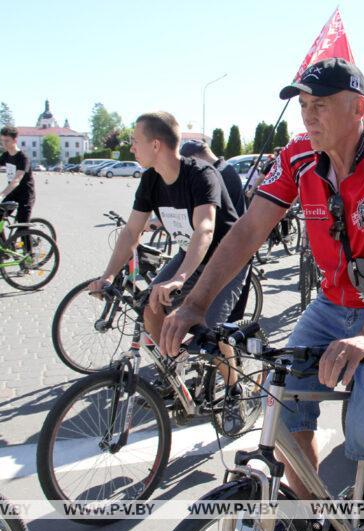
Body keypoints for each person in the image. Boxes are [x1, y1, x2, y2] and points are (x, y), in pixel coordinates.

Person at [161, 58, 364, 531]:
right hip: (333, 304)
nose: (308, 117)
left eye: (321, 106)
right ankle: (309, 504)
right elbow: (249, 229)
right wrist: (194, 303)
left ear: (358, 108)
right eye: (304, 106)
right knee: (281, 401)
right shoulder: (297, 157)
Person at [88, 112, 246, 391]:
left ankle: (235, 388)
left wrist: (180, 278)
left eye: (135, 141)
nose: (131, 147)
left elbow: (205, 229)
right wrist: (109, 275)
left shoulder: (201, 174)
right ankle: (175, 369)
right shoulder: (150, 179)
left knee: (210, 328)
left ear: (156, 145)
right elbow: (131, 231)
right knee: (151, 305)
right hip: (191, 255)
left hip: (227, 257)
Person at [178, 139, 252, 322]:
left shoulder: (218, 174)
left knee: (219, 323)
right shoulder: (224, 169)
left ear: (194, 157)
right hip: (219, 248)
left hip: (228, 253)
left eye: (188, 163)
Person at [0, 126, 35, 225]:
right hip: (12, 193)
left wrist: (0, 195)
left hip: (25, 194)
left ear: (15, 140)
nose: (4, 144)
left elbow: (16, 180)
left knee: (22, 226)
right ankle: (7, 241)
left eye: (7, 141)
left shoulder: (23, 158)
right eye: (2, 141)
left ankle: (26, 239)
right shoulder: (5, 156)